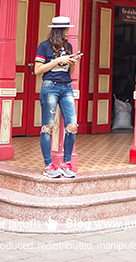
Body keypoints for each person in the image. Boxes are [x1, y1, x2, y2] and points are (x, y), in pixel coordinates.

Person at [34, 16, 81, 178]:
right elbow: (37, 70)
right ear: (59, 31)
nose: (68, 32)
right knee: (48, 127)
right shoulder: (44, 46)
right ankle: (48, 165)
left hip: (66, 87)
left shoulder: (68, 46)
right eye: (66, 29)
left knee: (73, 125)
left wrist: (72, 62)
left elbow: (69, 72)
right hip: (50, 87)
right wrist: (58, 60)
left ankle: (66, 163)